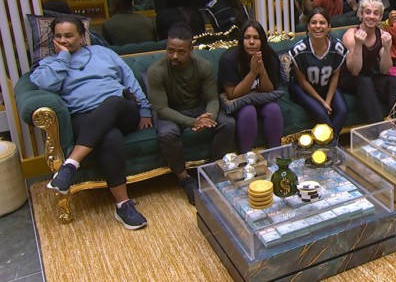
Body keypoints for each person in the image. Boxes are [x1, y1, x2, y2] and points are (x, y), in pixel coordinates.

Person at [31, 16, 152, 230]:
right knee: (110, 137)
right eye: (58, 36)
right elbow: (46, 85)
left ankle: (70, 164)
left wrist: (144, 109)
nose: (63, 40)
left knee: (113, 101)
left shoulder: (102, 53)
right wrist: (63, 57)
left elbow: (129, 80)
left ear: (81, 36)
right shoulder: (49, 64)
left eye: (69, 35)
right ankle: (123, 205)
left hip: (123, 111)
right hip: (84, 117)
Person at [147, 25, 236, 205]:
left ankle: (211, 170)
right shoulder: (156, 71)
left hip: (198, 108)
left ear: (190, 51)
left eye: (181, 52)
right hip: (170, 112)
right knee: (167, 133)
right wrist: (193, 122)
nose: (174, 56)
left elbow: (212, 98)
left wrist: (208, 118)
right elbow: (161, 109)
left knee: (228, 123)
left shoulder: (203, 66)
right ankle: (185, 179)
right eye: (170, 50)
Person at [218, 20, 284, 151]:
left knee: (273, 109)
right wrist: (253, 73)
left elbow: (269, 90)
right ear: (241, 40)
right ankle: (246, 157)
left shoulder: (270, 56)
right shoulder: (229, 59)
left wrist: (262, 70)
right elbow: (232, 94)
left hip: (261, 97)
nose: (251, 42)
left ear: (262, 41)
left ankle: (275, 155)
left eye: (256, 38)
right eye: (247, 38)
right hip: (238, 101)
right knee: (248, 112)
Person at [339, 0, 396, 123]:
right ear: (361, 14)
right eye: (368, 12)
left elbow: (385, 70)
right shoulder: (351, 35)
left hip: (367, 76)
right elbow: (354, 71)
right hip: (346, 78)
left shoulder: (382, 34)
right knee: (365, 82)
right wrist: (358, 45)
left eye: (376, 13)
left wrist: (387, 49)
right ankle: (377, 127)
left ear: (380, 17)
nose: (371, 16)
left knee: (394, 81)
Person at [288, 7, 348, 135]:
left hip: (326, 85)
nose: (318, 26)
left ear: (329, 26)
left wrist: (328, 100)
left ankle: (329, 143)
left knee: (342, 111)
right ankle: (333, 144)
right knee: (322, 114)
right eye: (314, 22)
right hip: (302, 88)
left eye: (322, 23)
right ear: (308, 26)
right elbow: (302, 81)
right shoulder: (299, 50)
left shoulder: (337, 47)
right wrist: (322, 102)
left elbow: (335, 76)